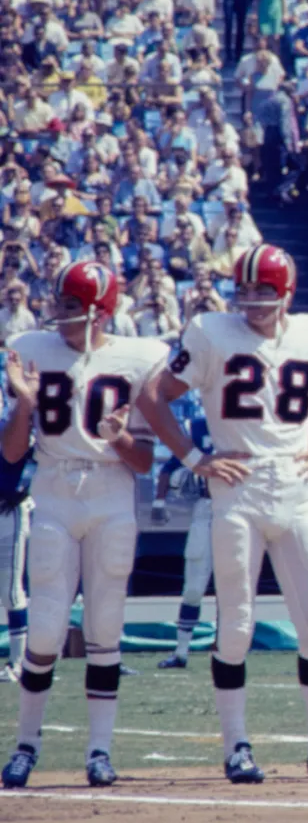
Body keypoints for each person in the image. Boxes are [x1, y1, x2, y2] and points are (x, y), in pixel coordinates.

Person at [136, 244, 308, 785]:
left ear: (286, 293)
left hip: (296, 490)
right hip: (238, 492)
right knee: (237, 624)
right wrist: (196, 458)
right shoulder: (211, 332)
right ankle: (237, 746)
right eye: (243, 292)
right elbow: (154, 396)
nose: (250, 303)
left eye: (262, 293)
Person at [1, 261, 169, 789]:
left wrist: (118, 437)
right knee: (47, 624)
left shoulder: (138, 356)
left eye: (71, 304)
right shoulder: (30, 348)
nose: (60, 314)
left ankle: (99, 751)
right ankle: (26, 745)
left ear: (100, 311)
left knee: (104, 625)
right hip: (51, 487)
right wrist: (24, 404)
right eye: (60, 302)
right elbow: (10, 453)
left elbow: (143, 460)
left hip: (112, 492)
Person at [153, 416, 214, 670]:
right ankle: (181, 652)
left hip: (240, 507)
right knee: (193, 587)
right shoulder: (198, 427)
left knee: (237, 587)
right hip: (207, 507)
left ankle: (231, 650)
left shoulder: (248, 422)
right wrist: (159, 502)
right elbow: (171, 467)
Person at [0, 446, 33, 683]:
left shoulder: (13, 417)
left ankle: (19, 662)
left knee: (10, 591)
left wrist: (21, 487)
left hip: (8, 511)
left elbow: (36, 457)